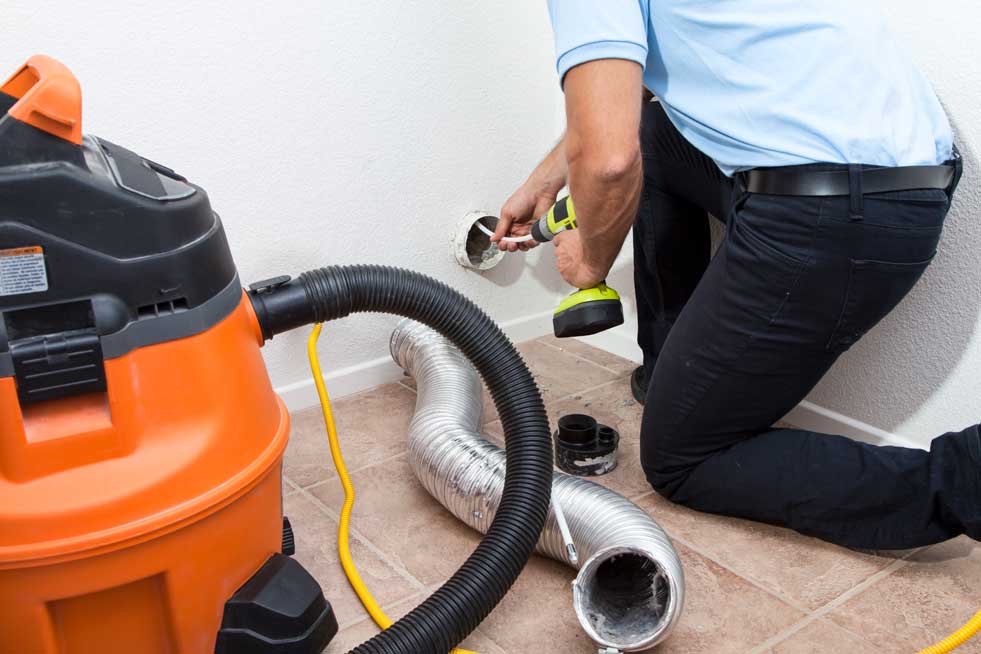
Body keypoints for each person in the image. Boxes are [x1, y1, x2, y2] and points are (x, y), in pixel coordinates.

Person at [492, 1, 971, 550]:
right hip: (896, 183)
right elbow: (629, 109)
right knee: (654, 134)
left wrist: (590, 264)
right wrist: (547, 178)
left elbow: (608, 162)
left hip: (843, 215)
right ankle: (671, 370)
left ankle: (965, 477)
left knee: (678, 459)